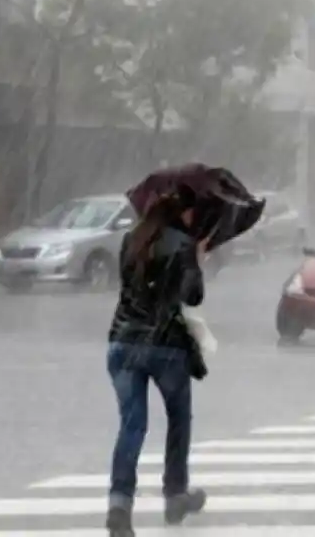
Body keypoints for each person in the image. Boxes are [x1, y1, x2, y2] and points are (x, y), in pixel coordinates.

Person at [105, 185, 209, 537]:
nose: (195, 219)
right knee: (179, 419)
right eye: (193, 212)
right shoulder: (183, 244)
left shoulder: (130, 241)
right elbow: (193, 295)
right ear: (183, 212)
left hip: (122, 342)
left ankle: (119, 503)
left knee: (132, 426)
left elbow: (134, 288)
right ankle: (175, 494)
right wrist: (197, 258)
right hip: (165, 345)